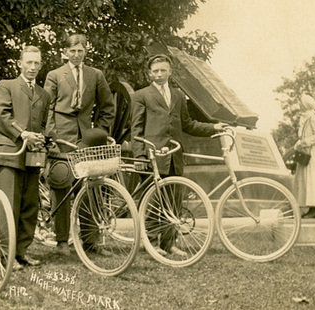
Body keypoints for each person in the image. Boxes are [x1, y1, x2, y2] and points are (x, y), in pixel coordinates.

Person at [131, 53, 227, 256]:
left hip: (174, 155)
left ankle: (169, 243)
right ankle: (150, 243)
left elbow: (188, 124)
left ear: (170, 71)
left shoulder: (177, 95)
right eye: (155, 71)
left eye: (163, 70)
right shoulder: (141, 96)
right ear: (149, 73)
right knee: (153, 201)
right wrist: (140, 156)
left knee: (174, 202)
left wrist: (213, 127)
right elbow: (136, 130)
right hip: (152, 156)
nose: (159, 74)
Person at [44, 34, 115, 256]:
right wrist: (51, 137)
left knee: (91, 187)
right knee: (62, 186)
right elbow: (47, 108)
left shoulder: (96, 75)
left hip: (87, 140)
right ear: (65, 52)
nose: (76, 55)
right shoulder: (54, 75)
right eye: (72, 51)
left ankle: (91, 241)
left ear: (86, 51)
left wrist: (98, 132)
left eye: (80, 50)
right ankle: (62, 241)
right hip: (61, 140)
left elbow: (107, 107)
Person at [0, 45, 50, 269]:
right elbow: (0, 115)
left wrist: (40, 137)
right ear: (20, 64)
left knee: (29, 206)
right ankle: (6, 255)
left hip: (32, 156)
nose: (32, 67)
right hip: (9, 153)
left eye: (37, 63)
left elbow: (43, 123)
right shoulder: (6, 86)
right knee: (9, 205)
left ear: (41, 65)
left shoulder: (44, 94)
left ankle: (21, 252)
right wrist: (22, 133)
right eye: (29, 62)